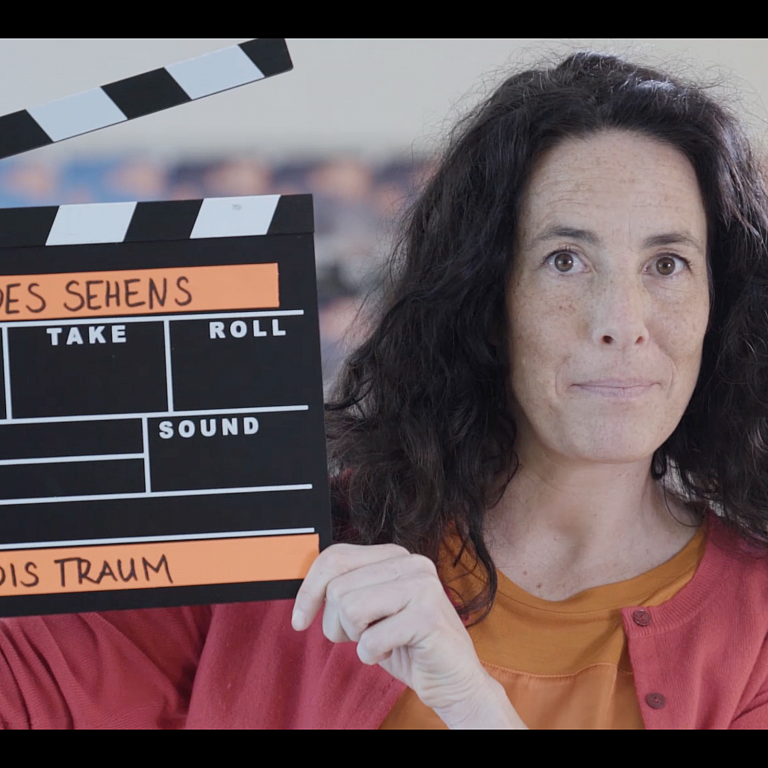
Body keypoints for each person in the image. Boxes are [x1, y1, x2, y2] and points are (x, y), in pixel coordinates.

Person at [2, 49, 768, 729]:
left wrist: (470, 703)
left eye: (668, 265)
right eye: (565, 260)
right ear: (488, 300)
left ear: (720, 304)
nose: (621, 323)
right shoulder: (282, 558)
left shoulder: (757, 626)